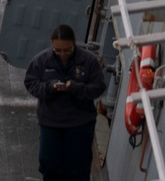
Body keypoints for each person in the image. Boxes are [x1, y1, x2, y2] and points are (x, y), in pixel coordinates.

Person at [24, 24, 105, 181]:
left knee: (78, 166)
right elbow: (31, 83)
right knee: (49, 163)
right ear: (52, 45)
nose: (63, 54)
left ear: (74, 44)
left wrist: (75, 88)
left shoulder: (88, 61)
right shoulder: (41, 61)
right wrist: (50, 87)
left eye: (67, 50)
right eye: (58, 50)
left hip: (80, 122)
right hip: (51, 122)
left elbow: (98, 87)